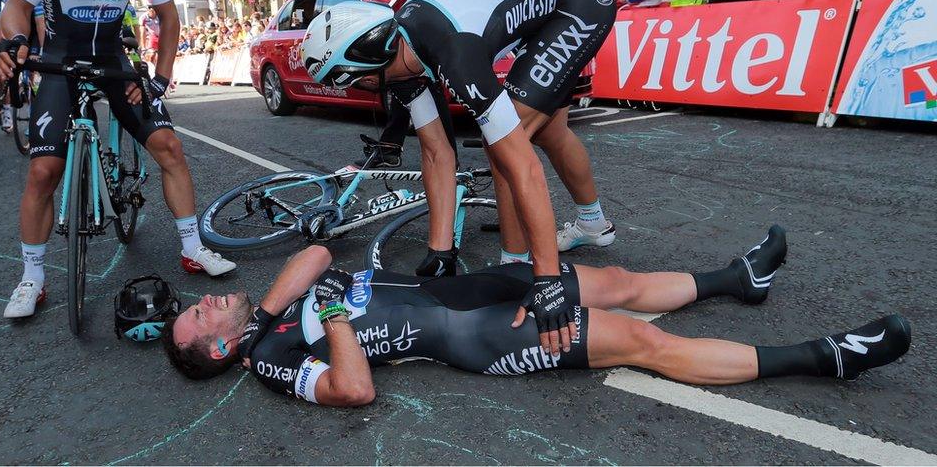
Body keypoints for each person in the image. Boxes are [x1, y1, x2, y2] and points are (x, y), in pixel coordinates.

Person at [162, 226, 912, 407]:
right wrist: (326, 320)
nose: (204, 301)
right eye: (201, 317)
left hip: (469, 286)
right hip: (472, 333)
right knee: (643, 344)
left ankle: (736, 277)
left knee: (612, 279)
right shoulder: (272, 362)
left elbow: (320, 253)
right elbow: (355, 389)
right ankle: (823, 356)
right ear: (222, 350)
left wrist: (267, 309)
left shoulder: (263, 320)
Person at [301, 0, 617, 352]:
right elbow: (435, 150)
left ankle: (519, 265)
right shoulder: (403, 56)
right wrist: (441, 249)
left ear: (363, 71)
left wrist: (548, 281)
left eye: (351, 84)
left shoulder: (453, 51)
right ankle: (592, 222)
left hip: (578, 0)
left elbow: (523, 165)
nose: (358, 90)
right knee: (547, 129)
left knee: (508, 142)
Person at [0, 0, 237, 319]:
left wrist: (158, 80)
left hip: (114, 60)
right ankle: (32, 277)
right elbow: (18, 6)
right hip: (60, 60)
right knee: (42, 171)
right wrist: (17, 41)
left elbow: (168, 16)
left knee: (169, 147)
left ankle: (193, 248)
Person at [355, 0, 482, 170]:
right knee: (419, 81)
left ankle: (449, 167)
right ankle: (392, 146)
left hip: (412, 5)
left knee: (414, 80)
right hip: (435, 0)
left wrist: (371, 16)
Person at [0, 0, 47, 132]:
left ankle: (35, 104)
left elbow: (40, 22)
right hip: (17, 29)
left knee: (34, 65)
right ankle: (12, 102)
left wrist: (42, 49)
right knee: (8, 62)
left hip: (35, 30)